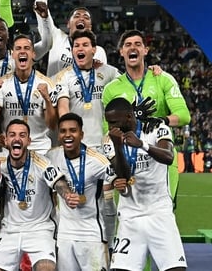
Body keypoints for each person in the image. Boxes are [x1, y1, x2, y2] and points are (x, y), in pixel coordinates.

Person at [102, 29, 190, 206]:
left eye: (137, 44)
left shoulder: (163, 79)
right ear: (121, 52)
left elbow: (184, 115)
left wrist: (161, 121)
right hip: (130, 159)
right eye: (127, 45)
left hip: (161, 154)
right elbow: (108, 130)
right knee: (131, 215)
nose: (132, 48)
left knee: (165, 210)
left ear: (145, 50)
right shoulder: (111, 89)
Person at [104, 97, 187, 270]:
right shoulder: (110, 140)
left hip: (159, 213)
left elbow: (168, 157)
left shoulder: (156, 128)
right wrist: (118, 147)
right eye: (108, 123)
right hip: (130, 217)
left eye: (113, 122)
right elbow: (124, 175)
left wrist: (142, 144)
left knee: (176, 268)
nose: (111, 127)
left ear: (128, 117)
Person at [0, 119, 78, 271]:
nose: (17, 138)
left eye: (22, 135)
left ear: (29, 141)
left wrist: (67, 195)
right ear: (6, 140)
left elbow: (58, 183)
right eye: (12, 134)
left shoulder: (42, 162)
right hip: (10, 230)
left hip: (40, 230)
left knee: (46, 269)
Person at [45, 113, 111, 270]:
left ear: (81, 134)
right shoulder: (52, 156)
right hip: (65, 235)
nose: (67, 135)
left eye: (73, 130)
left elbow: (118, 177)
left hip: (91, 234)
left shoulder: (96, 160)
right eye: (63, 131)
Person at [33, 0, 107, 78]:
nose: (81, 18)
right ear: (68, 24)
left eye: (86, 17)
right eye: (77, 16)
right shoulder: (56, 38)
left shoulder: (98, 51)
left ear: (91, 27)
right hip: (54, 96)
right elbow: (39, 5)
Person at [0, 35, 58, 155]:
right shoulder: (2, 84)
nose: (22, 51)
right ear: (13, 54)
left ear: (33, 54)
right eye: (18, 48)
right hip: (10, 148)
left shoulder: (47, 84)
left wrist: (47, 99)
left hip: (40, 149)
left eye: (26, 48)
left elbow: (52, 125)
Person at [54, 29, 120, 149]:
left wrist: (152, 69)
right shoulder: (63, 76)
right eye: (76, 45)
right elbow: (63, 108)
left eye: (85, 45)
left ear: (93, 50)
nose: (80, 49)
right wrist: (70, 135)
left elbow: (130, 81)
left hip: (106, 142)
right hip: (79, 144)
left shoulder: (109, 72)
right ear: (72, 50)